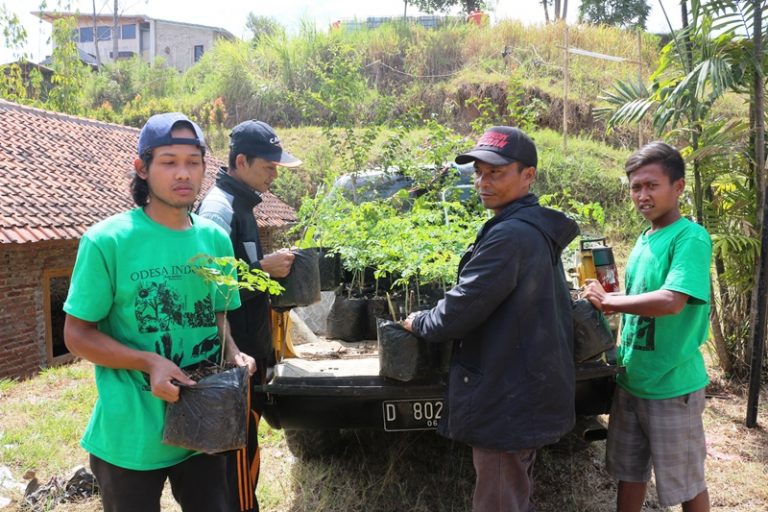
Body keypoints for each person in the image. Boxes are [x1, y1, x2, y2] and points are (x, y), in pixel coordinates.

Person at [62, 112, 256, 512]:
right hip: (131, 434)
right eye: (169, 162)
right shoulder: (107, 241)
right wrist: (149, 361)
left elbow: (218, 315)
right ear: (142, 168)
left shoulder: (216, 239)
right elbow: (77, 334)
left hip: (204, 424)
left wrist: (233, 351)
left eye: (193, 162)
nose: (183, 173)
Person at [403, 126, 578, 512]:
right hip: (522, 386)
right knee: (513, 492)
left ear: (528, 175)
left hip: (508, 396)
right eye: (479, 172)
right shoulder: (527, 228)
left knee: (499, 499)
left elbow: (461, 309)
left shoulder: (512, 236)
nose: (483, 182)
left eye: (495, 173)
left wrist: (419, 322)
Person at [583, 141, 712, 512]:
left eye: (652, 185)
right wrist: (604, 297)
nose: (642, 195)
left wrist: (611, 301)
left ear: (679, 187)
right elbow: (640, 296)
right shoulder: (645, 238)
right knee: (630, 472)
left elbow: (672, 300)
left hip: (672, 386)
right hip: (633, 379)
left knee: (686, 483)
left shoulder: (690, 237)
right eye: (636, 187)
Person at [197, 119, 301, 512]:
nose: (274, 174)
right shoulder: (218, 211)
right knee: (237, 457)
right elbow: (206, 290)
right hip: (231, 361)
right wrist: (263, 271)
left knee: (246, 451)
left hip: (248, 357)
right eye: (268, 166)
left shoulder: (242, 204)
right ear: (241, 161)